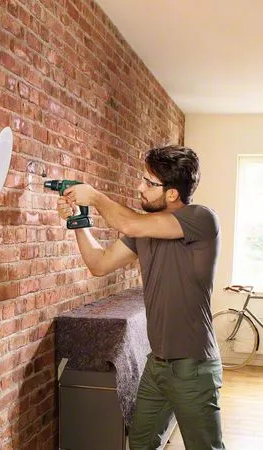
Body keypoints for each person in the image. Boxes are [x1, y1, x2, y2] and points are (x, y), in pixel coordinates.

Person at [57, 145, 225, 450]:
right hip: (157, 363)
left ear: (172, 193)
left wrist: (95, 197)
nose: (140, 187)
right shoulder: (143, 232)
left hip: (193, 366)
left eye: (149, 182)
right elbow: (99, 264)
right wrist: (78, 222)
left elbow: (128, 222)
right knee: (140, 443)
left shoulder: (201, 219)